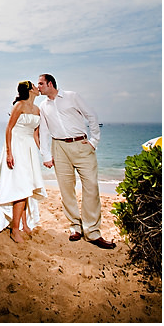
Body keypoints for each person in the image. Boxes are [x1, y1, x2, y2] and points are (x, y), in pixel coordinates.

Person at [37, 73, 116, 249]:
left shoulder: (72, 96)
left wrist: (94, 141)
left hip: (81, 145)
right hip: (59, 148)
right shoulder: (43, 106)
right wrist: (46, 156)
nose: (39, 86)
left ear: (50, 83)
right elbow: (43, 131)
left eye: (41, 83)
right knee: (66, 189)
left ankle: (93, 232)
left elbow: (92, 116)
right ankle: (75, 227)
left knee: (91, 187)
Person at [0, 80, 47, 242]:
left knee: (27, 185)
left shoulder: (37, 109)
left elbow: (36, 135)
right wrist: (9, 153)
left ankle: (24, 223)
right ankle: (14, 229)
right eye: (35, 86)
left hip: (29, 148)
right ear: (29, 90)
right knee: (20, 185)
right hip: (16, 146)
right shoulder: (19, 105)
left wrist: (44, 153)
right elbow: (9, 129)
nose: (38, 88)